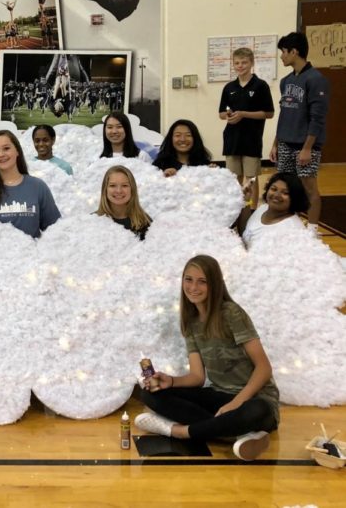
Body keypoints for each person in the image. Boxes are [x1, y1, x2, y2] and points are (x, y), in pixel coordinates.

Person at [135, 255, 279, 462]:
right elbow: (197, 377)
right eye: (188, 279)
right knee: (149, 393)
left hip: (253, 399)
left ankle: (179, 431)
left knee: (258, 410)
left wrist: (237, 403)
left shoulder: (231, 313)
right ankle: (238, 434)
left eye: (202, 281)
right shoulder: (191, 321)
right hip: (221, 397)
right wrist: (171, 381)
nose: (193, 287)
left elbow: (264, 368)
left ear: (215, 284)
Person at [270, 32, 329, 228]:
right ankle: (289, 225)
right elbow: (284, 114)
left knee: (309, 187)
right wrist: (275, 143)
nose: (281, 56)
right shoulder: (286, 81)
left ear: (294, 52)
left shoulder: (316, 79)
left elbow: (318, 118)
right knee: (286, 187)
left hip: (306, 146)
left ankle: (312, 231)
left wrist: (307, 148)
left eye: (284, 52)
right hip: (286, 142)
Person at [218, 47, 275, 207]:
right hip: (232, 139)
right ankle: (236, 209)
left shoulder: (260, 86)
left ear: (251, 63)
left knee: (251, 178)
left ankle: (252, 209)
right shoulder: (229, 88)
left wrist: (244, 114)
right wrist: (228, 116)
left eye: (244, 62)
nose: (240, 66)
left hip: (251, 139)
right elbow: (221, 113)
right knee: (234, 177)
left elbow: (269, 113)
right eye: (237, 63)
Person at [237, 172, 310, 249]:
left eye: (285, 193)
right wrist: (246, 201)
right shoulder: (263, 208)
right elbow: (246, 233)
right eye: (274, 189)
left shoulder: (294, 231)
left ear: (295, 198)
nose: (277, 195)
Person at [94, 165, 151, 240]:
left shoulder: (145, 223)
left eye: (124, 185)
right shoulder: (92, 221)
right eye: (113, 185)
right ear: (105, 189)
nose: (119, 191)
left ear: (132, 189)